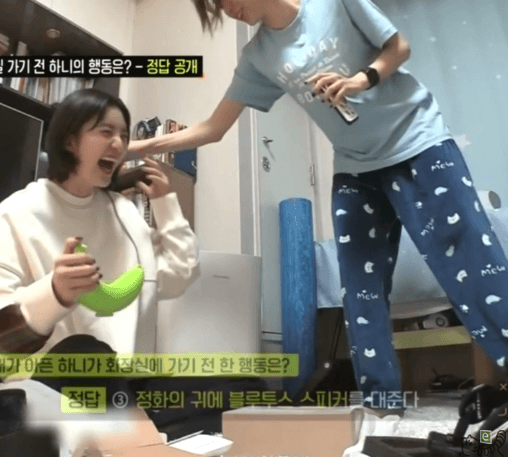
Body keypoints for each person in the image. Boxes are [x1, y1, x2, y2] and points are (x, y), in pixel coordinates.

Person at [126, 0, 508, 411]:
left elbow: (398, 47)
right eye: (217, 7)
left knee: (470, 259)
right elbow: (213, 128)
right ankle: (381, 406)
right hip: (356, 168)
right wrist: (134, 147)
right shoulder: (258, 56)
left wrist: (361, 79)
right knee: (359, 292)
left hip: (418, 141)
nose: (227, 9)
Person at [0, 88, 200, 406]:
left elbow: (180, 275)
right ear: (69, 140)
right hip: (47, 394)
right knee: (86, 353)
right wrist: (54, 294)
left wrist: (166, 206)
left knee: (235, 387)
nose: (118, 144)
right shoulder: (16, 213)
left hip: (126, 389)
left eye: (123, 135)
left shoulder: (125, 213)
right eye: (105, 131)